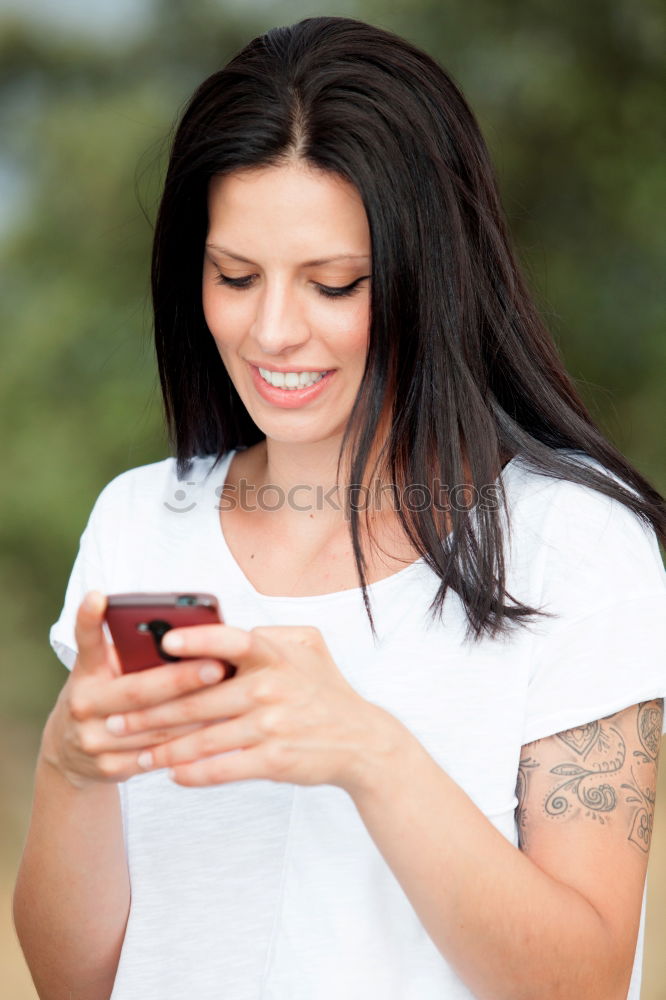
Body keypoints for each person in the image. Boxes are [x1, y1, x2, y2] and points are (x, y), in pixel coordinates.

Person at [13, 15, 666, 1000]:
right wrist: (70, 768)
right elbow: (78, 978)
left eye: (334, 283)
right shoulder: (140, 524)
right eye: (235, 276)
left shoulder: (575, 547)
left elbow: (582, 980)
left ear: (430, 278)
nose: (274, 330)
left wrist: (365, 749)